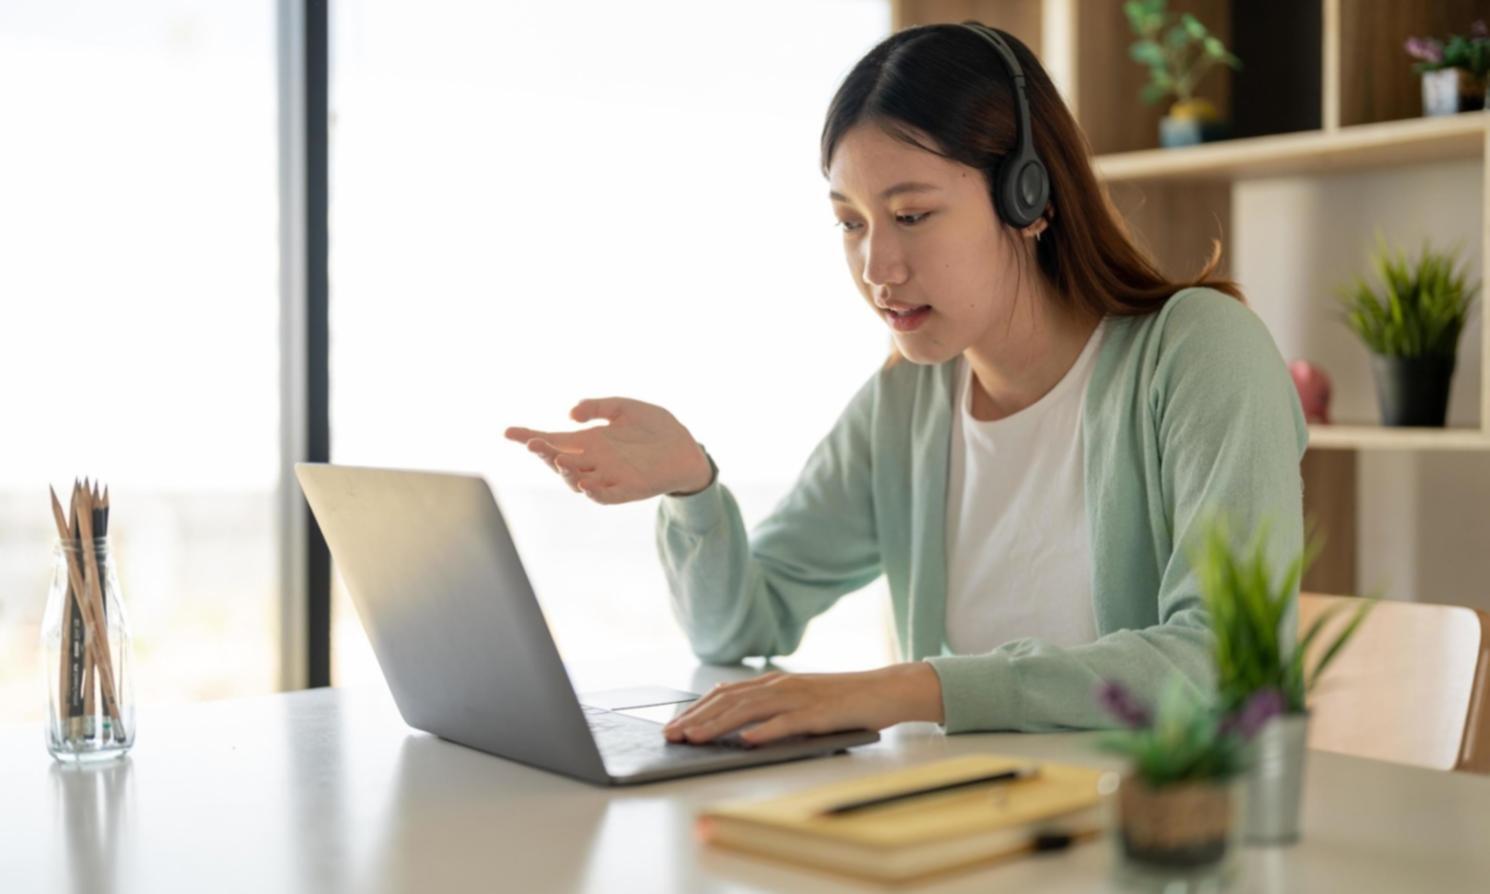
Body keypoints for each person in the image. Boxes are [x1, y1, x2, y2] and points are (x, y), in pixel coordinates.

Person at [503, 23, 1305, 747]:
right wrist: (692, 490)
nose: (876, 270)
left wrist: (905, 689)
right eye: (851, 222)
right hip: (971, 825)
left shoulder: (1198, 353)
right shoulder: (908, 404)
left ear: (1030, 197)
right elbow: (739, 623)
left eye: (912, 216)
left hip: (1169, 838)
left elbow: (1225, 661)